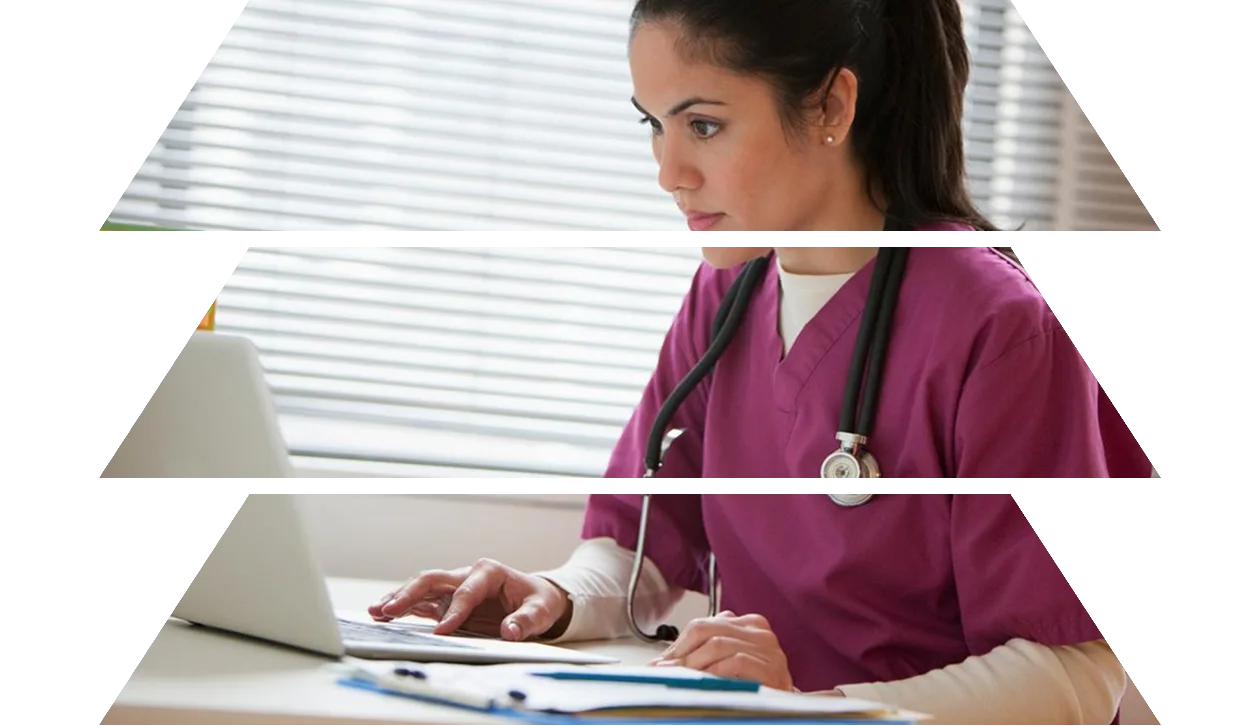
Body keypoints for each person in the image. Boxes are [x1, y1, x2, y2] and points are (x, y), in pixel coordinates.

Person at [371, 0, 1142, 723]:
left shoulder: (999, 328)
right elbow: (643, 537)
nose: (669, 172)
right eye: (654, 126)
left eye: (703, 125)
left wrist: (816, 708)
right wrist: (553, 598)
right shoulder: (727, 294)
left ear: (833, 106)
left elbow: (1073, 673)